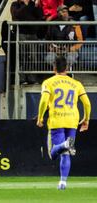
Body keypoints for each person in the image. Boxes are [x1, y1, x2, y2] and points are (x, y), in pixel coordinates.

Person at [37, 56, 91, 190]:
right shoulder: (76, 83)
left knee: (53, 153)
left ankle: (65, 144)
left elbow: (44, 101)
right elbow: (87, 103)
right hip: (72, 121)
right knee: (66, 153)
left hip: (57, 120)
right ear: (67, 68)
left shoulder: (48, 82)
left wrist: (40, 117)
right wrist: (86, 119)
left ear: (54, 68)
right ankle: (63, 182)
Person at [11, 0, 44, 84]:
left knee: (33, 57)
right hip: (21, 33)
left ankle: (32, 79)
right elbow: (17, 15)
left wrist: (36, 7)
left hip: (32, 34)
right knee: (22, 56)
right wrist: (25, 5)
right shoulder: (15, 4)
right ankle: (22, 79)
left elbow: (40, 16)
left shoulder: (33, 5)